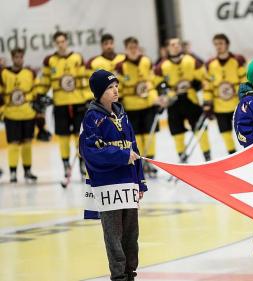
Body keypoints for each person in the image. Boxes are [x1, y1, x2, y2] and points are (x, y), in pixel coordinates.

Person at [80, 69, 147, 281]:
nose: (115, 90)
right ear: (99, 92)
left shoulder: (122, 114)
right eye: (110, 87)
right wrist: (120, 156)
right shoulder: (92, 118)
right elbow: (90, 152)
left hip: (128, 184)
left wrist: (140, 182)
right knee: (114, 235)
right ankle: (119, 276)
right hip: (108, 186)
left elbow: (133, 147)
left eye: (116, 85)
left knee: (131, 234)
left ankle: (130, 273)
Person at [39, 31, 88, 179]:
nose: (61, 44)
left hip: (78, 102)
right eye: (58, 42)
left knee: (80, 136)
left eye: (63, 41)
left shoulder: (77, 58)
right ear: (55, 44)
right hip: (60, 104)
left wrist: (88, 98)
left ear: (67, 42)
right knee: (63, 136)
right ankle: (66, 163)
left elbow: (84, 79)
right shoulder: (50, 60)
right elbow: (45, 81)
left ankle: (81, 162)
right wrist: (39, 95)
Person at [154, 38, 211, 162]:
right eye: (172, 44)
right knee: (177, 132)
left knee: (200, 129)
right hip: (173, 102)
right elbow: (156, 84)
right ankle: (182, 158)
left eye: (178, 44)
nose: (176, 46)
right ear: (168, 48)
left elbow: (204, 79)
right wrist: (163, 94)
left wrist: (206, 98)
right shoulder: (161, 66)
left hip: (192, 100)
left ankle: (208, 157)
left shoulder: (192, 61)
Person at [115, 37, 160, 177]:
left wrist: (155, 99)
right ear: (125, 49)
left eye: (135, 47)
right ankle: (139, 161)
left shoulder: (146, 61)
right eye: (130, 48)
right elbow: (118, 86)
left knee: (149, 134)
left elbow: (151, 82)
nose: (133, 50)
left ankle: (150, 161)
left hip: (147, 105)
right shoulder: (120, 66)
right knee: (136, 136)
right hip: (131, 106)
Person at [0, 48, 38, 183]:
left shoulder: (29, 73)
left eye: (21, 57)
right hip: (11, 114)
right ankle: (13, 172)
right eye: (16, 57)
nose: (19, 59)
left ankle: (27, 171)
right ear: (12, 58)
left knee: (27, 143)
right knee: (13, 144)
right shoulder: (3, 73)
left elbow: (35, 91)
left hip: (28, 113)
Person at [203, 33, 246, 155]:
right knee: (225, 133)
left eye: (221, 43)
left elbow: (245, 81)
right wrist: (207, 104)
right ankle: (233, 155)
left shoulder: (237, 60)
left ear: (227, 44)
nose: (218, 46)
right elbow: (208, 87)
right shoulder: (210, 64)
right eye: (216, 44)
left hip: (237, 106)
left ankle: (249, 154)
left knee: (244, 132)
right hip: (220, 106)